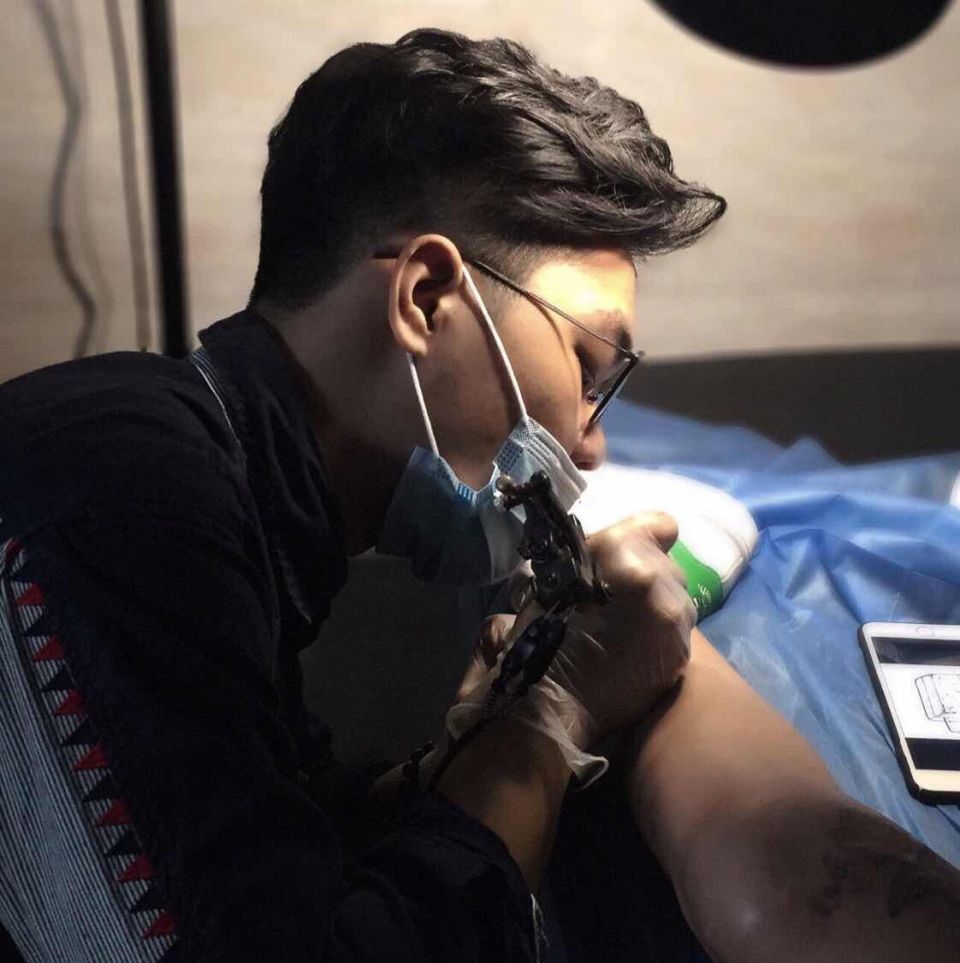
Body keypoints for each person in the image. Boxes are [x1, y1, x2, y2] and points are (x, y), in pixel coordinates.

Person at [0, 26, 957, 963]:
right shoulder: (114, 503)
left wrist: (459, 750)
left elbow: (265, 862)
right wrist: (551, 716)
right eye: (588, 366)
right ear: (425, 298)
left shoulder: (223, 501)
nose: (590, 443)